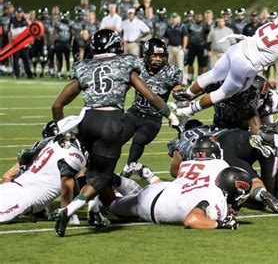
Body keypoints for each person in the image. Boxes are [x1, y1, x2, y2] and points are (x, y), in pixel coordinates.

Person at [50, 29, 180, 237]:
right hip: (109, 121)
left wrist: (61, 129)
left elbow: (57, 105)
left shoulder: (84, 66)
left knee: (92, 171)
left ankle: (94, 211)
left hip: (87, 120)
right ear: (115, 45)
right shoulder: (125, 63)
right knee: (104, 175)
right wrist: (170, 115)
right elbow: (149, 94)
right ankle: (69, 210)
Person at [174, 2, 278, 121]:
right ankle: (186, 112)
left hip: (240, 46)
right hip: (248, 63)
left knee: (213, 75)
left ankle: (183, 98)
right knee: (222, 93)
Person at [168, 123, 278, 213]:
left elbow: (175, 170)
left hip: (223, 147)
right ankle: (266, 137)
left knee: (251, 181)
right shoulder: (208, 127)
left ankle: (261, 193)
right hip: (240, 136)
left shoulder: (183, 138)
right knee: (265, 170)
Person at [109, 163, 252, 230]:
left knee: (134, 197)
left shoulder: (211, 186)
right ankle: (102, 181)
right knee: (109, 205)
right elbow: (192, 219)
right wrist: (220, 224)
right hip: (151, 205)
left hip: (161, 190)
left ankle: (116, 180)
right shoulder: (217, 199)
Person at [119, 38, 183, 177]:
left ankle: (128, 168)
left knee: (139, 139)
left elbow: (177, 89)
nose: (158, 59)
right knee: (117, 137)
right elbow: (125, 86)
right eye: (155, 55)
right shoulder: (138, 66)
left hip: (153, 117)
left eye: (161, 56)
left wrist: (180, 94)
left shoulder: (172, 71)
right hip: (135, 111)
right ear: (147, 55)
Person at [0, 132, 86, 224]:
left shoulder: (51, 146)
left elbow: (7, 176)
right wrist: (67, 212)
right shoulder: (73, 156)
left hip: (12, 186)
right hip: (25, 197)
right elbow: (68, 185)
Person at [8, 7, 33, 79]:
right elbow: (10, 32)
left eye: (20, 13)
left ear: (22, 13)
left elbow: (31, 26)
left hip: (24, 44)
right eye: (18, 13)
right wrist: (10, 42)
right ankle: (16, 74)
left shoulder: (25, 20)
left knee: (26, 60)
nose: (19, 14)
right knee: (15, 60)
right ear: (16, 13)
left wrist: (26, 18)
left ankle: (29, 74)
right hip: (16, 43)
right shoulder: (12, 20)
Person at [185, 13, 208, 84]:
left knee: (201, 64)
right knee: (190, 62)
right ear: (195, 18)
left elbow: (207, 35)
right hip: (192, 46)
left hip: (201, 46)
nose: (198, 18)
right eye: (197, 17)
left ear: (202, 18)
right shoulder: (191, 24)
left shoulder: (205, 24)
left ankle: (199, 78)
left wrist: (206, 46)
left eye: (199, 17)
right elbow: (188, 35)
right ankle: (190, 78)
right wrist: (187, 46)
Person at [52, 11, 73, 79]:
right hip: (59, 42)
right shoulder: (58, 23)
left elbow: (72, 34)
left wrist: (71, 43)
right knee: (59, 59)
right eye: (65, 16)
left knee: (67, 59)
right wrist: (53, 42)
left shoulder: (70, 23)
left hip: (66, 42)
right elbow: (54, 33)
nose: (66, 18)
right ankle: (59, 73)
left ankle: (67, 73)